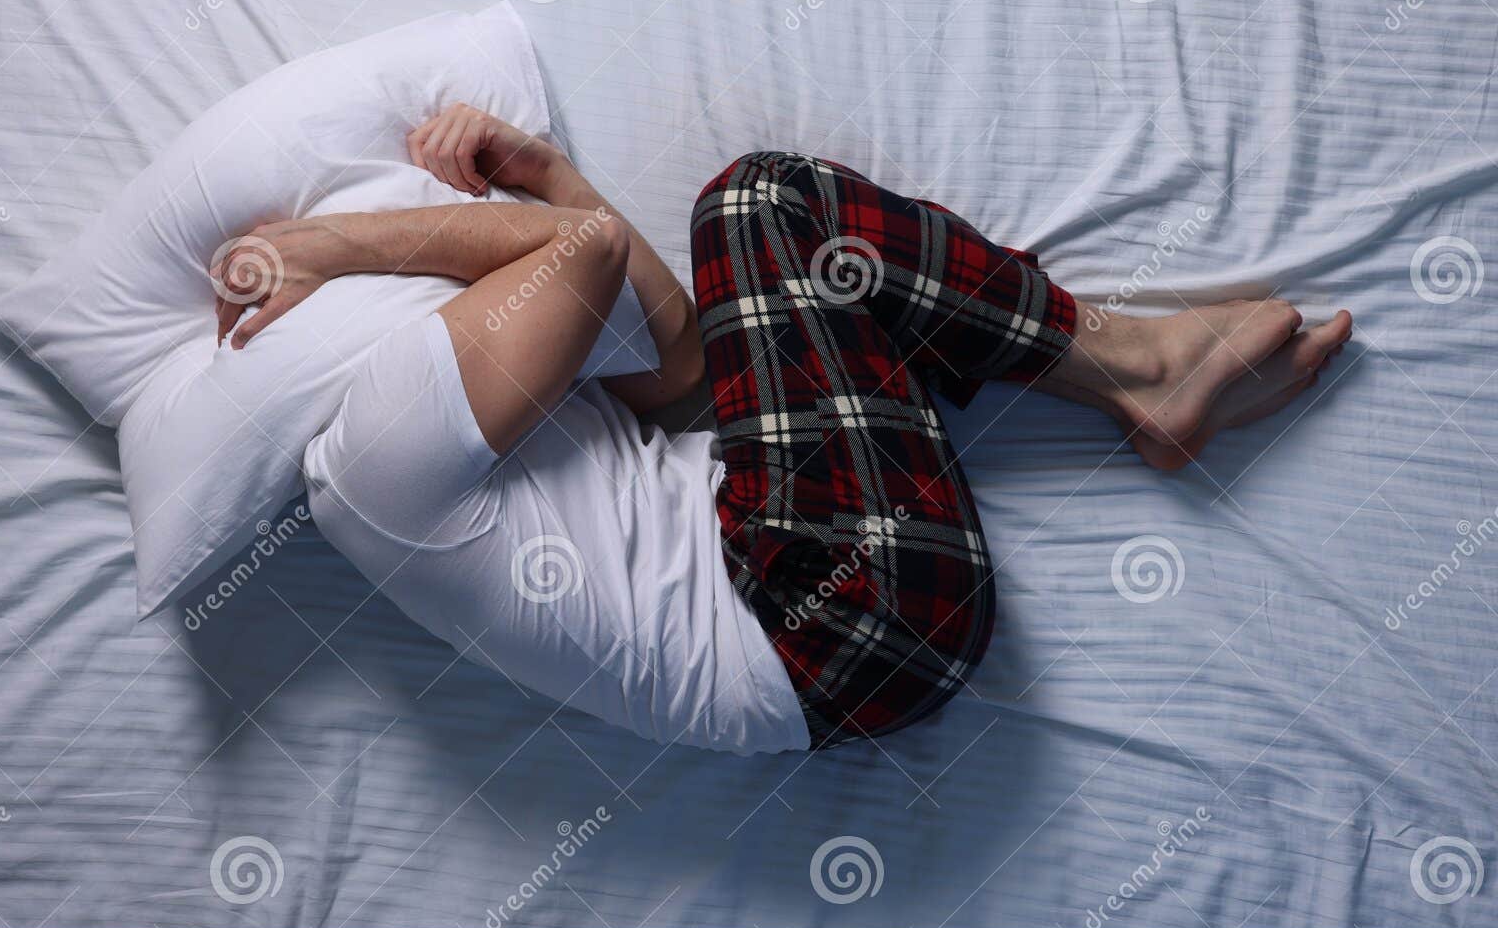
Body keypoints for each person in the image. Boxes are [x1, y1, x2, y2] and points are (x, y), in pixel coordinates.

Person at [211, 103, 1351, 754]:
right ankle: (1138, 366)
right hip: (835, 616)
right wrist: (331, 247)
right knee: (757, 204)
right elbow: (584, 259)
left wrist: (551, 173)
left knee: (787, 251)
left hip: (835, 595)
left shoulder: (432, 433)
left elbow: (675, 369)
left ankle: (1133, 379)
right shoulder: (367, 461)